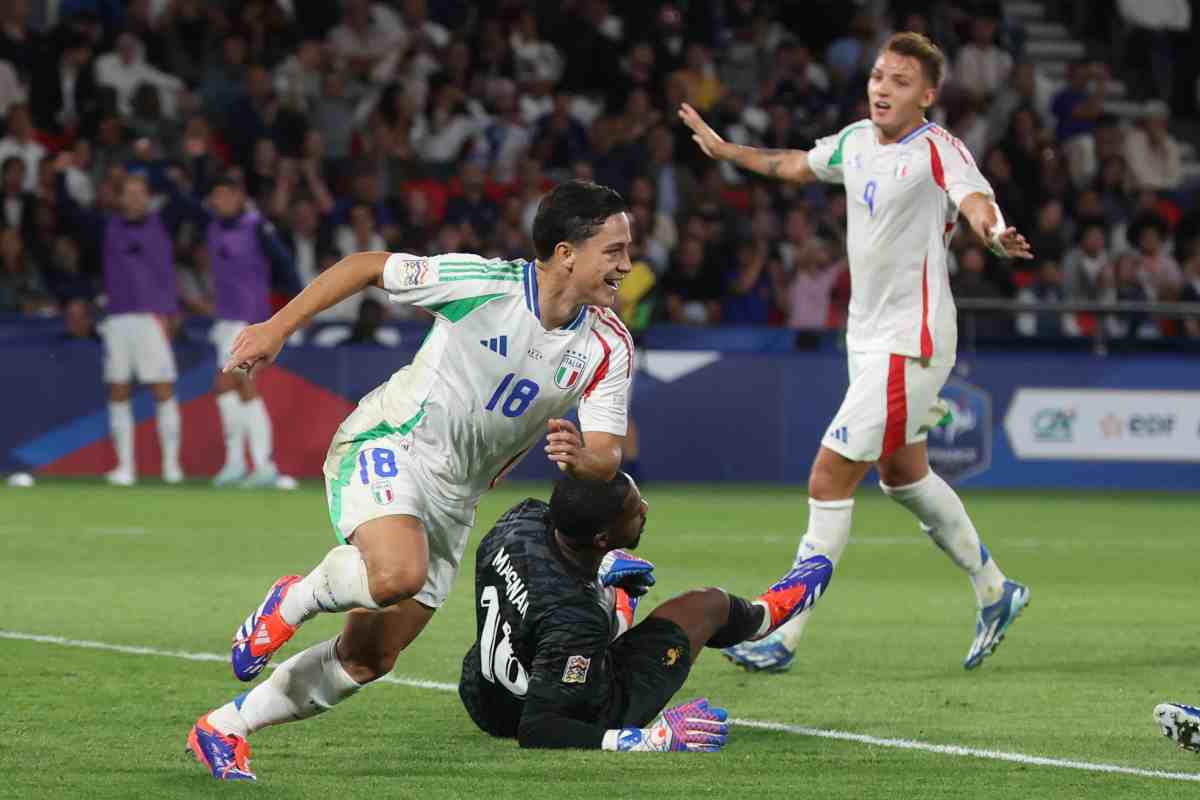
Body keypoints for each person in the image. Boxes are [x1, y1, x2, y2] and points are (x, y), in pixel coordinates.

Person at [187, 180, 638, 781]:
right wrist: (277, 327)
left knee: (369, 658)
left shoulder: (609, 344)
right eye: (614, 251)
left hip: (458, 497)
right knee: (398, 574)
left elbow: (606, 451)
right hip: (393, 441)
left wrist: (585, 460)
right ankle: (292, 599)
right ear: (565, 252)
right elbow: (367, 265)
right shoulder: (482, 284)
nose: (626, 265)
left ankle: (224, 728)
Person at [678, 32, 1033, 673]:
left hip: (912, 342)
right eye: (877, 75)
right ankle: (996, 590)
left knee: (828, 475)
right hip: (866, 342)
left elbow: (975, 200)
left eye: (899, 81)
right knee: (903, 475)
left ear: (927, 95)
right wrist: (728, 149)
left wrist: (996, 232)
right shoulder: (853, 141)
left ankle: (782, 632)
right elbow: (792, 164)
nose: (882, 87)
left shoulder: (938, 149)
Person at [458, 473, 833, 751]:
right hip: (556, 710)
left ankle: (612, 595)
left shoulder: (518, 521)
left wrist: (598, 572)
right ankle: (763, 619)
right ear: (601, 539)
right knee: (708, 606)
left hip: (482, 695)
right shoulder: (575, 617)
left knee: (573, 625)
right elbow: (538, 728)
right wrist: (647, 739)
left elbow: (548, 596)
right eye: (634, 511)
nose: (645, 509)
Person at [54, 154, 192, 486]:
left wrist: (157, 168)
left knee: (162, 389)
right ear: (118, 197)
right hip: (117, 319)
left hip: (152, 318)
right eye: (127, 193)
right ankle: (124, 467)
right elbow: (70, 213)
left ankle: (171, 467)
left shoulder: (164, 221)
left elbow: (186, 199)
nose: (132, 198)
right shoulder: (106, 227)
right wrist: (60, 176)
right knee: (118, 389)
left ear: (147, 196)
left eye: (139, 192)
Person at [202, 173, 299, 488]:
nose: (220, 202)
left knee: (241, 385)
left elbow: (285, 264)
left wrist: (297, 311)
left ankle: (263, 465)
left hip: (249, 319)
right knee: (226, 387)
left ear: (239, 197)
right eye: (216, 197)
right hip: (224, 319)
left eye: (226, 196)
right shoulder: (213, 227)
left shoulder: (257, 226)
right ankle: (236, 463)